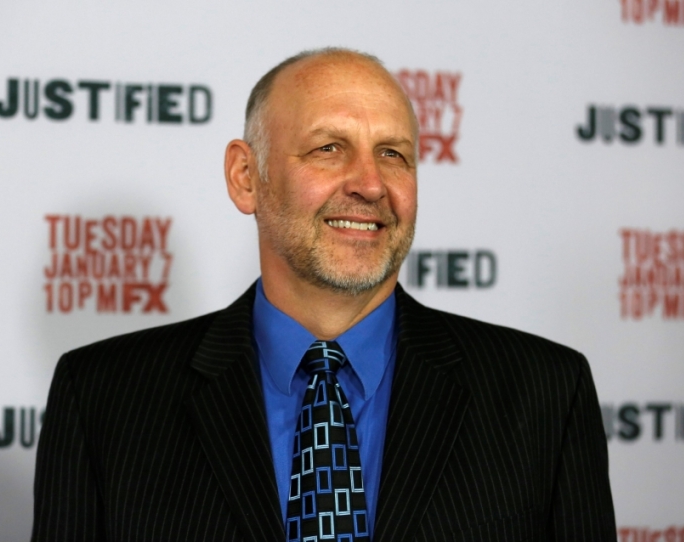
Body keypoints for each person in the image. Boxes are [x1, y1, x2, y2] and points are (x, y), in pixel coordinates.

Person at [32, 47, 616, 542]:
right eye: (328, 148)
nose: (369, 184)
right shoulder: (103, 399)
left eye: (393, 154)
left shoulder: (545, 395)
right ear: (245, 177)